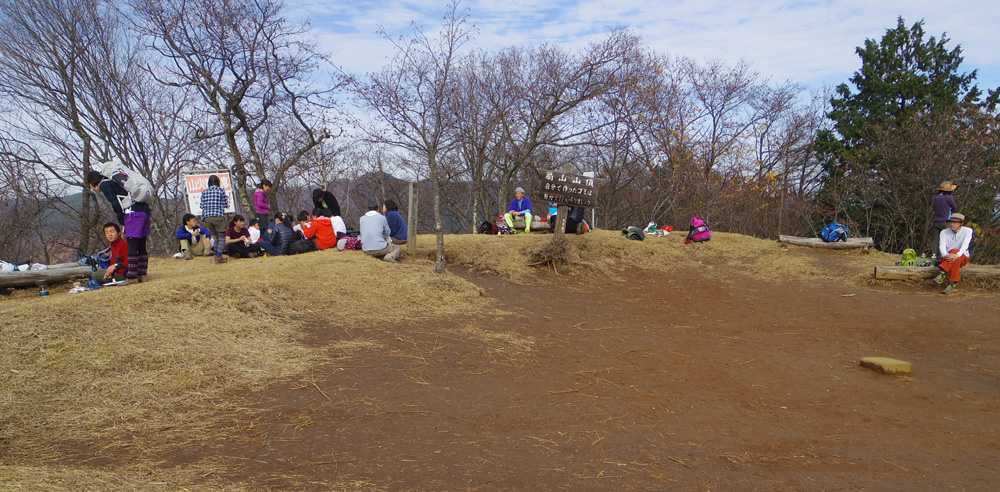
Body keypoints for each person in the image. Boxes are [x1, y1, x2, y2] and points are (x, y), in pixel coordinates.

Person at [87, 169, 151, 282]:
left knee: (132, 246)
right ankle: (142, 274)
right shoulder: (115, 181)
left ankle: (132, 277)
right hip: (144, 210)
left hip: (132, 213)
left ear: (92, 183)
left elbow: (116, 204)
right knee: (141, 245)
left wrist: (123, 222)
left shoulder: (105, 185)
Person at [934, 213, 973, 294]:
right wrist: (945, 255)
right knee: (956, 259)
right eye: (951, 222)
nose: (952, 224)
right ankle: (952, 283)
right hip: (948, 257)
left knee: (955, 251)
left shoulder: (968, 231)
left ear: (961, 223)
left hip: (962, 256)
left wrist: (957, 255)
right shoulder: (944, 232)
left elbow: (965, 245)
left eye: (955, 222)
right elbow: (942, 245)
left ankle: (943, 272)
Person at [200, 175, 229, 264]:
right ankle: (219, 256)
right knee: (221, 238)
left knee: (215, 238)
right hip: (218, 216)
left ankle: (216, 255)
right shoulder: (221, 191)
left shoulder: (204, 192)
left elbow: (201, 206)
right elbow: (225, 204)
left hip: (208, 218)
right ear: (218, 182)